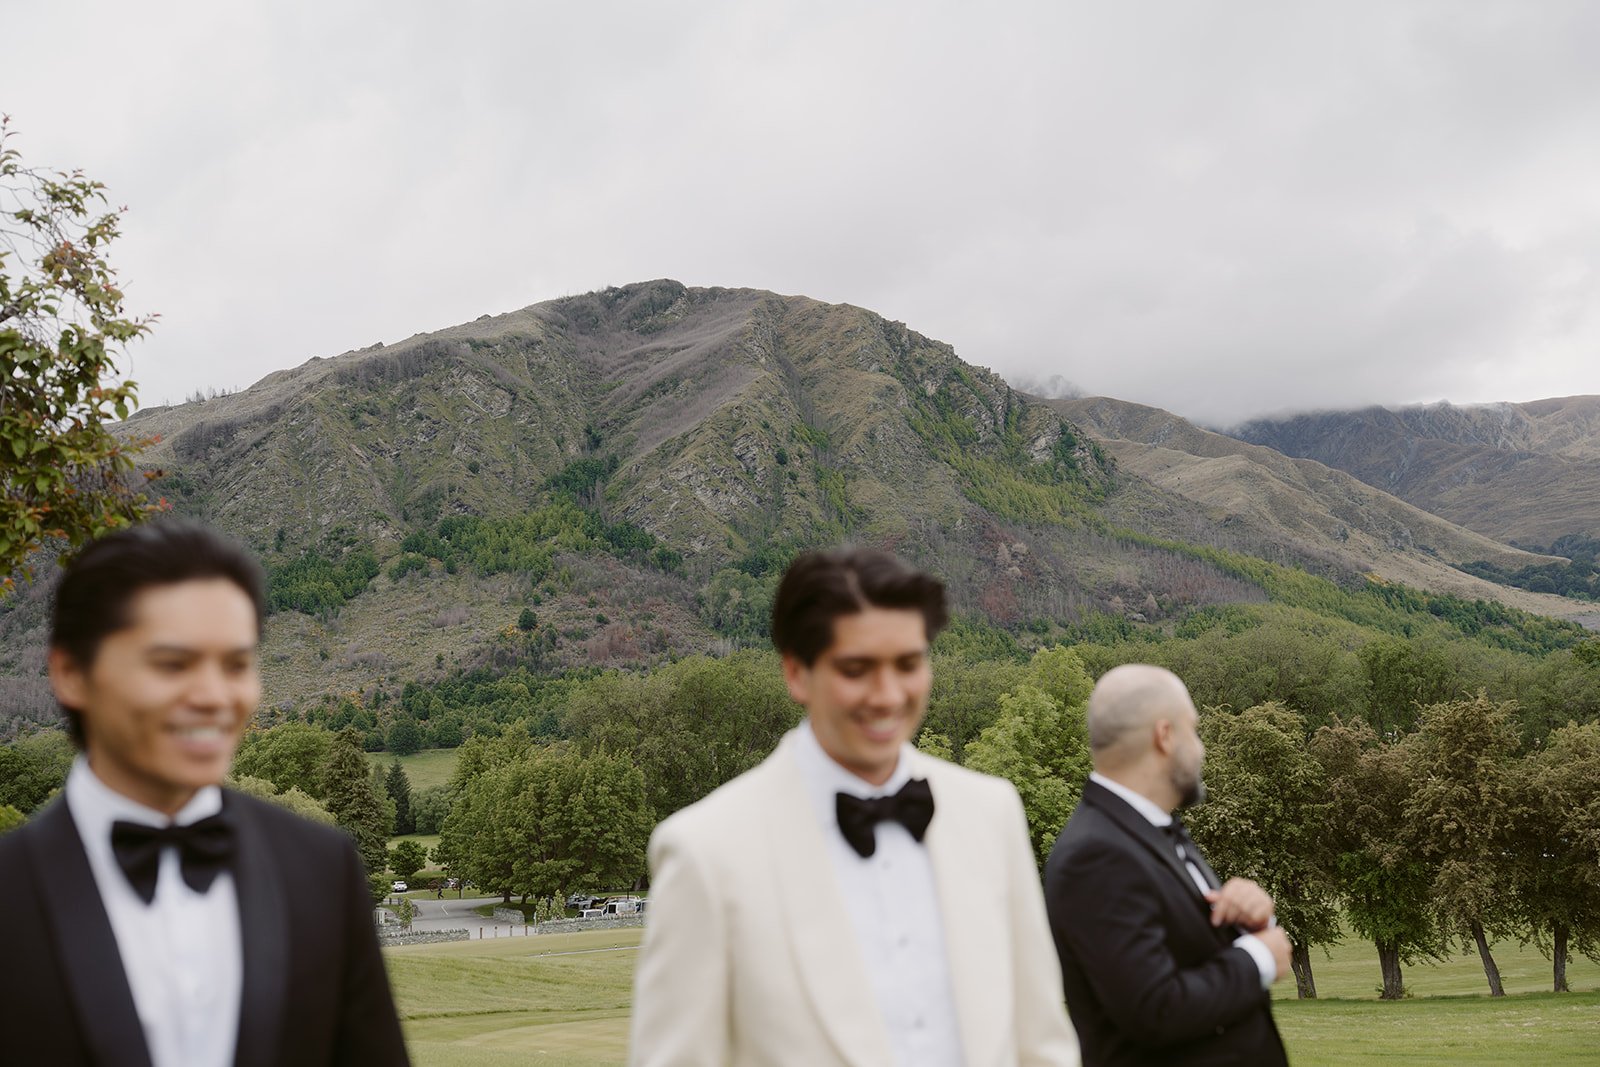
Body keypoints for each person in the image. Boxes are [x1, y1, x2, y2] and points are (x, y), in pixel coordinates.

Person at [630, 547, 1079, 1067]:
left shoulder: (991, 811)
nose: (887, 695)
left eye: (908, 664)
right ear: (797, 672)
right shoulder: (704, 851)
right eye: (856, 669)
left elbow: (1041, 1043)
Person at [0, 521, 410, 1067]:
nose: (215, 697)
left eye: (236, 665)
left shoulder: (322, 868)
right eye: (172, 664)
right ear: (72, 673)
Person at [1043, 664, 1289, 1066]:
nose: (1201, 749)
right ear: (1165, 735)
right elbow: (1155, 1008)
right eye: (1194, 730)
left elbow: (1190, 952)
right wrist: (1257, 958)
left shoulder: (1149, 830)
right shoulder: (1095, 855)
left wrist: (1248, 921)